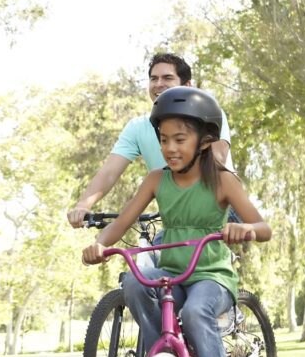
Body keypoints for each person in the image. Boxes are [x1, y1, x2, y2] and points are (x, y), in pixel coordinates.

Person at [82, 86, 271, 357]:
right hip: (172, 271)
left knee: (196, 312)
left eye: (180, 139)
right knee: (134, 285)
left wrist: (245, 230)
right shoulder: (157, 180)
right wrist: (99, 244)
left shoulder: (223, 181)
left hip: (211, 275)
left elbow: (264, 227)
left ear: (203, 140)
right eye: (164, 140)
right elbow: (123, 221)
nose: (170, 148)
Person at [67, 53, 234, 228]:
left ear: (187, 85)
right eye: (153, 79)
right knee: (148, 251)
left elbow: (218, 158)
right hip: (176, 214)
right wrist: (83, 205)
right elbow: (109, 172)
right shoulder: (137, 127)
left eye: (167, 78)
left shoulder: (207, 113)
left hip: (221, 208)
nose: (159, 83)